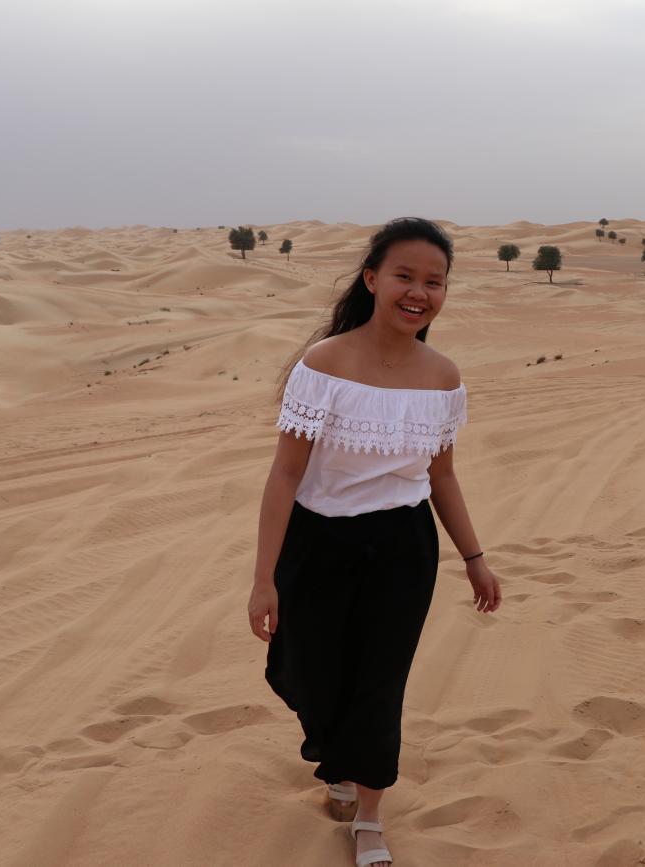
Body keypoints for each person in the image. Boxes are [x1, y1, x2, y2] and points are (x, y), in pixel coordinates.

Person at [247, 217, 502, 867]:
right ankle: (337, 756)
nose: (419, 292)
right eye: (405, 276)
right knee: (304, 672)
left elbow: (441, 475)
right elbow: (285, 473)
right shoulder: (324, 365)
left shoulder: (443, 377)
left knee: (380, 681)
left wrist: (475, 558)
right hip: (317, 542)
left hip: (401, 547)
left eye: (434, 282)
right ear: (372, 280)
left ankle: (368, 815)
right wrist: (264, 576)